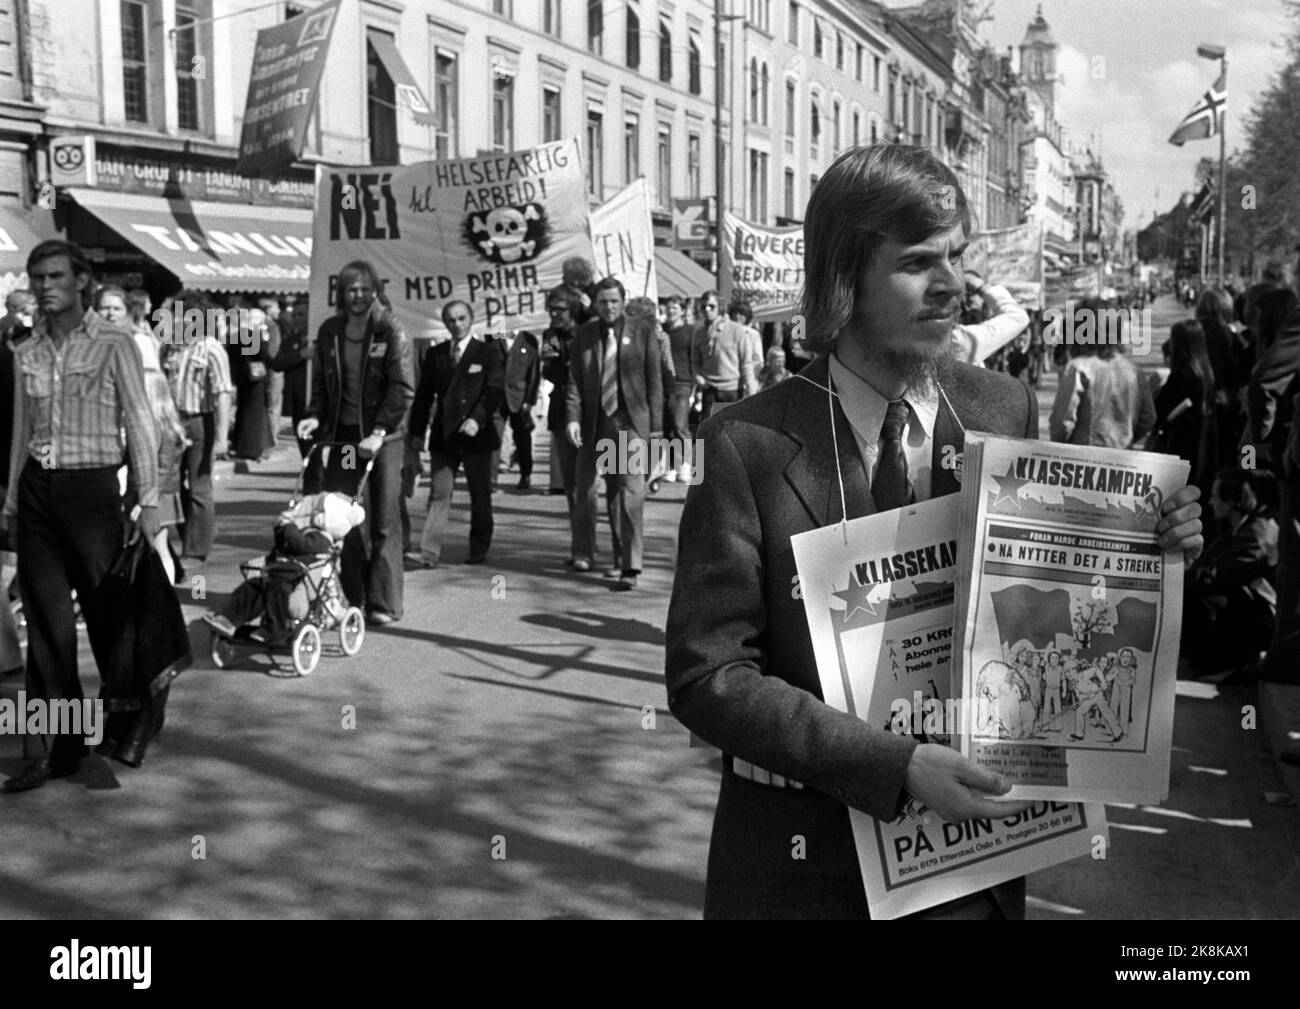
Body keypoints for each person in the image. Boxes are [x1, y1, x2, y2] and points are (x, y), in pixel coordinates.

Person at [663, 144, 1204, 919]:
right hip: (805, 876)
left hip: (969, 876)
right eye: (919, 261)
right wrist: (896, 765)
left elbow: (1053, 602)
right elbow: (707, 676)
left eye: (956, 255)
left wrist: (1150, 549)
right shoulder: (745, 443)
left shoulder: (999, 407)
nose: (953, 285)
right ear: (845, 278)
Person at [1, 240, 160, 792]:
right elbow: (22, 434)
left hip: (94, 495)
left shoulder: (117, 342)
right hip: (39, 494)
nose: (45, 286)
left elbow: (140, 423)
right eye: (37, 277)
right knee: (47, 630)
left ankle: (126, 726)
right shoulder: (26, 351)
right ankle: (50, 751)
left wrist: (150, 501)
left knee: (112, 621)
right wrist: (12, 504)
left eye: (55, 276)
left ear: (82, 282)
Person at [297, 260, 413, 625]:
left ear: (375, 290)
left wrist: (379, 431)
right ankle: (350, 597)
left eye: (364, 289)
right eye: (351, 290)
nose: (358, 296)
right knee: (340, 517)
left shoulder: (390, 329)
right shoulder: (330, 330)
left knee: (382, 519)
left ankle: (384, 602)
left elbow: (402, 387)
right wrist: (315, 414)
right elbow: (320, 382)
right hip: (345, 442)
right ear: (341, 294)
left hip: (384, 439)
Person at [565, 277, 663, 590]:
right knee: (587, 490)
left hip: (629, 422)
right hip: (595, 423)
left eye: (614, 301)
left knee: (630, 491)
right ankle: (583, 551)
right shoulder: (584, 334)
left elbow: (655, 383)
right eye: (603, 301)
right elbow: (574, 382)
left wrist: (657, 430)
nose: (608, 307)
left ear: (623, 302)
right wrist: (572, 418)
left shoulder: (643, 331)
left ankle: (630, 566)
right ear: (595, 303)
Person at [407, 300, 503, 568]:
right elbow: (424, 395)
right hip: (444, 435)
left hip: (477, 435)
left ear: (471, 319)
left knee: (479, 493)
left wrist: (478, 418)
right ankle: (429, 551)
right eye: (451, 320)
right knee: (439, 492)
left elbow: (494, 390)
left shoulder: (488, 352)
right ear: (445, 323)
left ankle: (479, 547)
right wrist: (417, 432)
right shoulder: (436, 354)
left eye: (461, 318)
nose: (456, 324)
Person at [1182, 467, 1279, 676]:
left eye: (1216, 497)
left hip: (1263, 615)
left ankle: (1218, 660)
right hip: (1249, 604)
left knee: (1193, 596)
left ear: (1232, 500)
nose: (1210, 502)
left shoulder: (1259, 531)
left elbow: (1214, 575)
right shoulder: (1242, 525)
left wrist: (1179, 573)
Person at [164, 291, 233, 564]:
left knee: (199, 486)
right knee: (172, 484)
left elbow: (223, 392)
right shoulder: (169, 347)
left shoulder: (211, 348)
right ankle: (184, 536)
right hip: (172, 421)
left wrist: (222, 437)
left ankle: (196, 548)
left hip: (200, 421)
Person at [1049, 302, 1155, 448]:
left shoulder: (1078, 369)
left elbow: (1061, 424)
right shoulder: (1133, 370)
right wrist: (1123, 441)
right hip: (1123, 461)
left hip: (1084, 460)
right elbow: (1148, 418)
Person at [541, 288, 583, 548]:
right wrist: (551, 363)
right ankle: (580, 540)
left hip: (588, 411)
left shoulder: (585, 332)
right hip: (560, 408)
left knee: (588, 483)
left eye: (560, 309)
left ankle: (588, 541)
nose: (554, 314)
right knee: (571, 484)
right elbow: (550, 374)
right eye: (551, 309)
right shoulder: (549, 335)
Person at [1154, 320, 1216, 495]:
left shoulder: (1181, 376)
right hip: (1203, 444)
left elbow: (1158, 410)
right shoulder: (1206, 372)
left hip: (1179, 445)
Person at [694, 290, 758, 418]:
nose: (707, 309)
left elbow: (746, 364)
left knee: (730, 431)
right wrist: (697, 376)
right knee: (709, 432)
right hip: (710, 389)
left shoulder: (736, 330)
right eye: (703, 306)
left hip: (731, 390)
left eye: (711, 306)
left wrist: (752, 395)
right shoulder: (699, 333)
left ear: (720, 307)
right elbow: (695, 360)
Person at [951, 270, 1029, 367]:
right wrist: (981, 287)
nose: (970, 298)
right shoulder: (959, 341)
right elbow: (1018, 317)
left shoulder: (955, 338)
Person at [229, 305, 277, 462]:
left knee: (242, 412)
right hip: (255, 378)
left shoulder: (237, 335)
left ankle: (240, 445)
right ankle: (253, 448)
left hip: (243, 378)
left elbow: (233, 353)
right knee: (255, 415)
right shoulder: (254, 334)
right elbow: (264, 354)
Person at [662, 295, 699, 480]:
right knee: (668, 426)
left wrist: (694, 386)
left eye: (674, 308)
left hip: (683, 383)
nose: (670, 311)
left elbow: (694, 358)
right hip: (664, 383)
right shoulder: (662, 331)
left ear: (683, 311)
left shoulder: (690, 331)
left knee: (680, 424)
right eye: (668, 307)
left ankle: (685, 464)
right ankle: (672, 465)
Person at [501, 327, 542, 491]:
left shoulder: (528, 339)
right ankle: (489, 479)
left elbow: (534, 372)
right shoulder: (494, 336)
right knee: (493, 436)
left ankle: (526, 474)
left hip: (519, 399)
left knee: (523, 438)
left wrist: (530, 400)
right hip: (497, 397)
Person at [272, 295, 314, 457]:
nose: (296, 319)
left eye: (301, 315)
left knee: (319, 451)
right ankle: (309, 479)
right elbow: (277, 363)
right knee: (305, 449)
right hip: (298, 404)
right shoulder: (291, 339)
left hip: (317, 404)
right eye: (294, 315)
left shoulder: (321, 339)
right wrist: (300, 355)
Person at [258, 297, 285, 443]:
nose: (279, 310)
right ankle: (272, 437)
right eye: (276, 307)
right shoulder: (273, 326)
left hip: (262, 369)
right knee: (274, 404)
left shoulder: (257, 326)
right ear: (268, 310)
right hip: (275, 369)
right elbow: (273, 352)